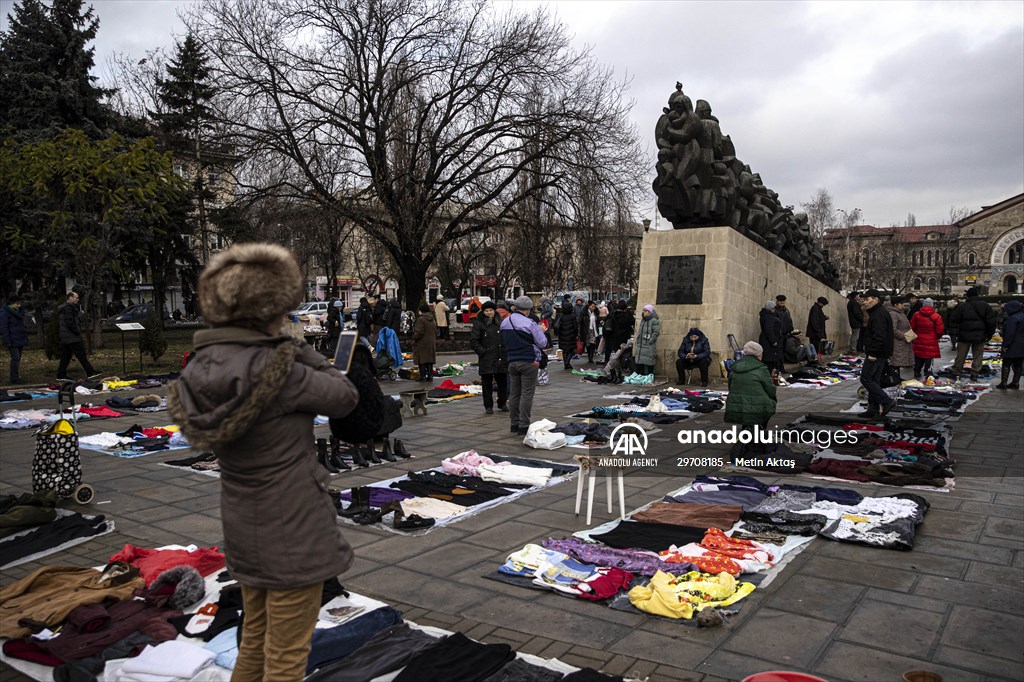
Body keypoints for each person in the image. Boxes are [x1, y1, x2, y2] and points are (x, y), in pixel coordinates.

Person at [166, 243, 364, 679]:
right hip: (294, 524)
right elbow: (345, 397)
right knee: (288, 654)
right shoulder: (281, 370)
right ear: (272, 310)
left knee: (254, 638)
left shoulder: (200, 366)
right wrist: (299, 350)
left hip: (244, 524)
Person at [501, 295, 548, 436]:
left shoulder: (505, 322)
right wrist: (541, 331)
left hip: (512, 361)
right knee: (527, 394)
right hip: (529, 361)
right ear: (527, 310)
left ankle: (514, 423)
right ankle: (524, 425)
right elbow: (543, 343)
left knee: (514, 394)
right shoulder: (529, 323)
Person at [724, 341, 777, 447]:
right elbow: (770, 389)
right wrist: (773, 398)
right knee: (767, 405)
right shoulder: (762, 369)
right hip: (756, 405)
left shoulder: (734, 367)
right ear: (759, 355)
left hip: (737, 404)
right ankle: (758, 436)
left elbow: (730, 387)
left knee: (747, 407)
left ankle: (746, 434)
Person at [859, 289, 895, 417]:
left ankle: (886, 401)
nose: (865, 302)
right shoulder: (877, 313)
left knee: (866, 379)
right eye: (864, 300)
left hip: (877, 353)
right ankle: (873, 409)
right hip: (881, 353)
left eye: (868, 299)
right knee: (874, 380)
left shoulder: (879, 314)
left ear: (876, 300)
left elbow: (879, 336)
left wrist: (873, 353)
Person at [949, 287, 996, 381]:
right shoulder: (985, 306)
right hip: (980, 335)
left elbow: (953, 320)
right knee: (978, 355)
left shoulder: (962, 306)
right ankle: (974, 373)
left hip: (964, 335)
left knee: (961, 355)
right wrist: (989, 334)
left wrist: (957, 332)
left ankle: (956, 371)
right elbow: (991, 322)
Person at [470, 301, 508, 413]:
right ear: (483, 311)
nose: (489, 312)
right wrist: (482, 352)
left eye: (491, 310)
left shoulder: (500, 322)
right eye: (486, 311)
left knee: (502, 382)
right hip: (487, 357)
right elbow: (474, 341)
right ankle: (488, 406)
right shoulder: (479, 323)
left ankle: (502, 403)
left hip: (500, 356)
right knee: (487, 383)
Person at [56, 292, 99, 380]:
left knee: (66, 356)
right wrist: (77, 331)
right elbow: (70, 322)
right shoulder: (68, 308)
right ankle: (90, 372)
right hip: (71, 336)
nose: (77, 299)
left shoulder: (65, 308)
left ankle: (61, 374)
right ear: (70, 297)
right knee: (81, 354)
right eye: (76, 298)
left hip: (66, 336)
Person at [910, 297, 944, 379]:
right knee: (929, 357)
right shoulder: (936, 316)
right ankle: (927, 372)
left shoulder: (916, 315)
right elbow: (940, 330)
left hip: (919, 339)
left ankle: (917, 372)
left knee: (918, 356)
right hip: (931, 341)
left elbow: (912, 327)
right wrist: (936, 337)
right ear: (932, 305)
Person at [0, 295, 29, 384]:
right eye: (17, 304)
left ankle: (15, 376)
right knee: (15, 358)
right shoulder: (5, 312)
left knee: (18, 358)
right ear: (12, 304)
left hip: (19, 337)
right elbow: (4, 327)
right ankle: (14, 378)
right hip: (12, 339)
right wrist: (7, 340)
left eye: (20, 304)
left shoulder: (19, 312)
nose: (19, 306)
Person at [997, 299, 1023, 389]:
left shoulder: (1013, 318)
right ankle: (1015, 382)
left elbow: (1010, 333)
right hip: (1022, 345)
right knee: (1018, 365)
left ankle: (1004, 383)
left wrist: (1005, 345)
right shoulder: (1022, 316)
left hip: (1013, 344)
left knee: (1006, 363)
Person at [886, 296, 914, 380]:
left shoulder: (900, 313)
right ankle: (895, 378)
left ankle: (897, 377)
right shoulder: (893, 314)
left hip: (904, 341)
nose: (903, 305)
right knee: (896, 361)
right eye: (901, 304)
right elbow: (893, 329)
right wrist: (904, 336)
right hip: (898, 342)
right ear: (896, 305)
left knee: (899, 361)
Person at [603, 300, 635, 365]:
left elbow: (606, 320)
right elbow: (632, 321)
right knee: (621, 352)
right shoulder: (627, 315)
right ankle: (621, 364)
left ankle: (606, 362)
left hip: (612, 336)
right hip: (623, 337)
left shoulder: (612, 313)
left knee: (609, 350)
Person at [412, 303, 437, 382]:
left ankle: (422, 376)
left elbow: (419, 332)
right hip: (431, 341)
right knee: (429, 360)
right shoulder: (432, 318)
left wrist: (414, 338)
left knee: (422, 359)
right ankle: (430, 376)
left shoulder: (421, 319)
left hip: (422, 342)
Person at [758, 301, 784, 374]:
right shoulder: (769, 317)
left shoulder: (765, 315)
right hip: (769, 342)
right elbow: (768, 329)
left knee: (770, 359)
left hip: (767, 340)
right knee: (769, 360)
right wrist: (773, 341)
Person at [634, 304, 661, 376]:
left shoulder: (654, 321)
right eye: (644, 310)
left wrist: (651, 340)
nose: (644, 312)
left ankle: (649, 375)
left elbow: (656, 332)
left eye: (646, 311)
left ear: (650, 311)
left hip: (648, 344)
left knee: (649, 361)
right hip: (641, 343)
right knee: (640, 361)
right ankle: (640, 375)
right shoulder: (643, 320)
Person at [552, 302, 579, 370]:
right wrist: (576, 334)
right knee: (571, 350)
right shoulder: (573, 317)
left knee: (564, 350)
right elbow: (575, 327)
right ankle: (567, 362)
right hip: (571, 335)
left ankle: (566, 364)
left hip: (562, 335)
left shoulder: (561, 316)